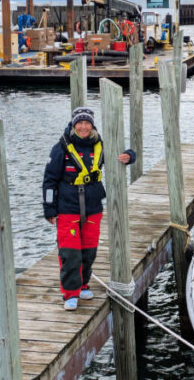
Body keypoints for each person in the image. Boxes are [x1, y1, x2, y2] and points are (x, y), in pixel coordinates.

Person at [42, 106, 135, 311]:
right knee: (70, 253)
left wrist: (130, 155)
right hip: (67, 208)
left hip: (93, 207)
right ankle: (70, 293)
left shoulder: (100, 145)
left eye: (87, 123)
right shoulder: (60, 148)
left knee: (89, 250)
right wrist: (49, 209)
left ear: (92, 125)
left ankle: (83, 284)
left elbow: (124, 153)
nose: (83, 127)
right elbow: (49, 180)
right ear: (74, 125)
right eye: (79, 123)